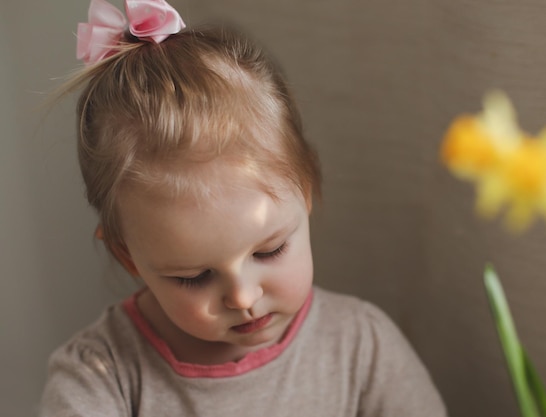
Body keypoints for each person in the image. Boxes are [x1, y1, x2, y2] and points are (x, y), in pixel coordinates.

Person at [40, 0, 446, 415]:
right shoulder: (100, 379)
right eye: (194, 277)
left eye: (268, 251)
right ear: (128, 255)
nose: (243, 296)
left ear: (305, 192)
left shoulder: (363, 348)